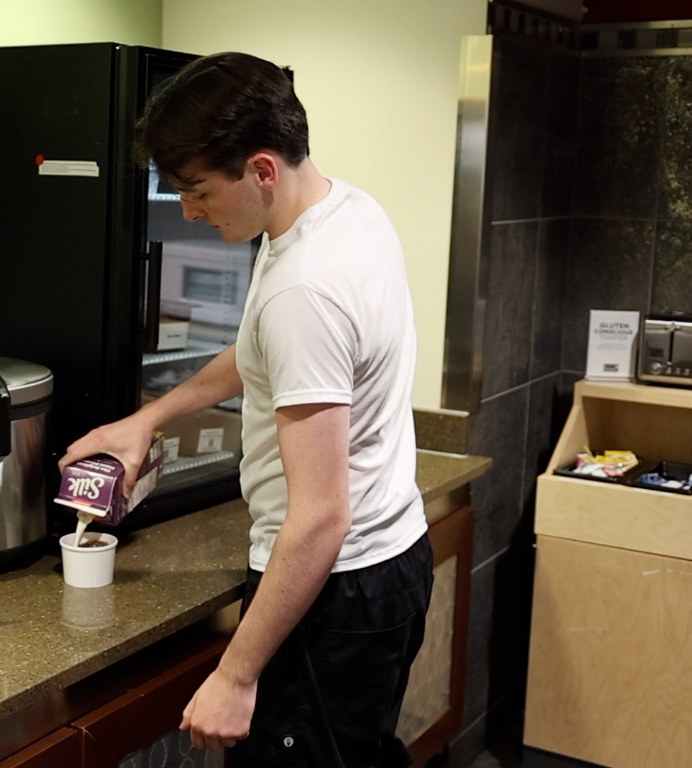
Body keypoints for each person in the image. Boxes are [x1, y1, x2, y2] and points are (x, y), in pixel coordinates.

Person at [59, 51, 432, 768]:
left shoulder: (304, 288)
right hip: (389, 565)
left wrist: (235, 674)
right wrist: (148, 418)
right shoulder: (346, 210)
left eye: (197, 190)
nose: (189, 210)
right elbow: (258, 354)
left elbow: (322, 515)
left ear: (262, 169)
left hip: (336, 587)